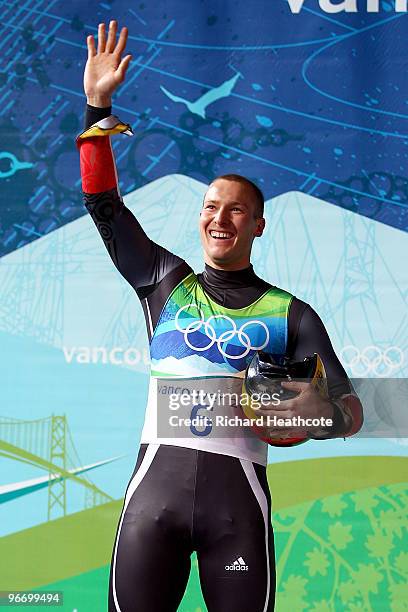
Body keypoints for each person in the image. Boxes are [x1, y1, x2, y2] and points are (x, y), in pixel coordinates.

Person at [78, 21, 363, 612]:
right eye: (210, 207)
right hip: (149, 511)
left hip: (236, 517)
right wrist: (98, 108)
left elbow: (350, 409)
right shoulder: (164, 280)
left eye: (236, 211)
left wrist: (316, 416)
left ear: (258, 225)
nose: (220, 219)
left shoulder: (291, 313)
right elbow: (104, 206)